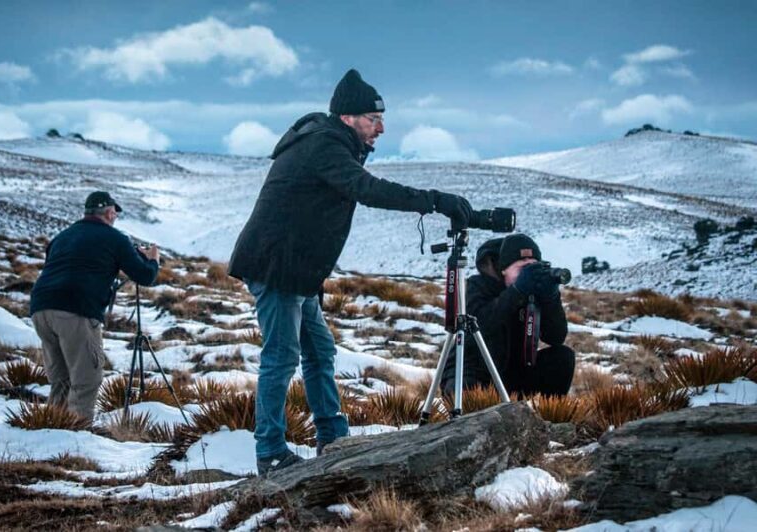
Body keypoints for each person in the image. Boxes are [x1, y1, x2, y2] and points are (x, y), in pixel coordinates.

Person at [229, 68, 474, 474]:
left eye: (381, 119)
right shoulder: (324, 145)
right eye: (373, 119)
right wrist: (434, 200)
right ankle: (270, 451)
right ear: (348, 117)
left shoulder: (328, 142)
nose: (381, 128)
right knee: (281, 357)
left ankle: (332, 436)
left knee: (319, 351)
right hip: (277, 267)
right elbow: (367, 189)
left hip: (296, 270)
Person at [29, 191, 160, 422]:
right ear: (109, 213)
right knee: (86, 379)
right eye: (115, 214)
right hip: (76, 310)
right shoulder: (115, 238)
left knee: (61, 380)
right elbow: (145, 276)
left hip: (41, 308)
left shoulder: (62, 236)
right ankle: (76, 438)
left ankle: (50, 431)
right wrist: (152, 260)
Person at [441, 233, 575, 398]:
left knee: (562, 357)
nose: (529, 275)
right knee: (468, 394)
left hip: (512, 374)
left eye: (534, 267)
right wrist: (517, 291)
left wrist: (551, 297)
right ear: (503, 269)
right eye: (522, 269)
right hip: (471, 372)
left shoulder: (535, 291)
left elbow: (556, 337)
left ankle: (546, 418)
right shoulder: (478, 285)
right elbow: (481, 324)